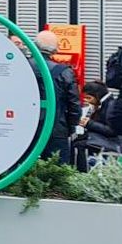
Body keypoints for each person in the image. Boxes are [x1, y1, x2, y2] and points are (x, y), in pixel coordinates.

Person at [32, 31, 82, 165]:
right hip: (56, 128)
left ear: (34, 45)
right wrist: (72, 126)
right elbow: (74, 103)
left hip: (27, 128)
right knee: (57, 171)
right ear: (55, 50)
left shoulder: (22, 66)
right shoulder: (64, 71)